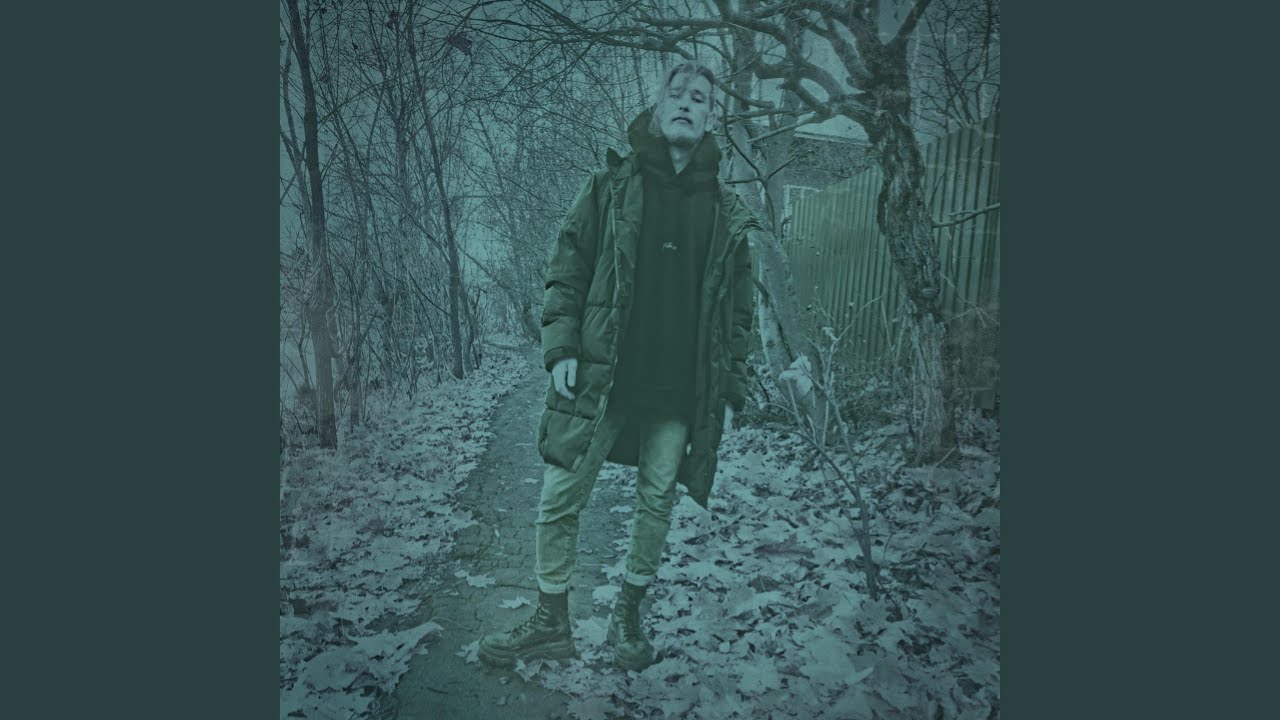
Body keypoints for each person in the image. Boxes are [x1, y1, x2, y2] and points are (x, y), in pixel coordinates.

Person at [478, 62, 758, 672]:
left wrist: (730, 387)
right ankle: (551, 620)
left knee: (657, 501)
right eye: (676, 94)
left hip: (679, 389)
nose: (687, 104)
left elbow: (739, 314)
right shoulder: (611, 185)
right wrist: (561, 349)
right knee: (561, 492)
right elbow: (568, 267)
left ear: (711, 117)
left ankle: (627, 616)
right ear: (658, 108)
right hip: (606, 377)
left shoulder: (726, 211)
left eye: (700, 98)